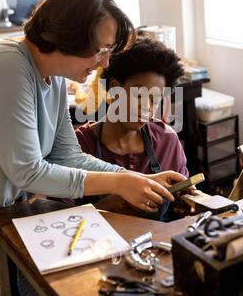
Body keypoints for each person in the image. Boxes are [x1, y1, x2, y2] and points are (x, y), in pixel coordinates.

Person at [0, 0, 184, 296]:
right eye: (100, 50)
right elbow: (28, 171)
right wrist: (120, 180)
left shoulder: (55, 78)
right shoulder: (6, 65)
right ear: (66, 35)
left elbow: (66, 154)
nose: (104, 62)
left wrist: (137, 180)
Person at [75, 38, 189, 221]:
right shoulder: (78, 146)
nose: (147, 108)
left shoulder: (167, 141)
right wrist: (113, 200)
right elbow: (60, 216)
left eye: (154, 100)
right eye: (139, 95)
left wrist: (186, 200)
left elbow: (181, 209)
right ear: (114, 89)